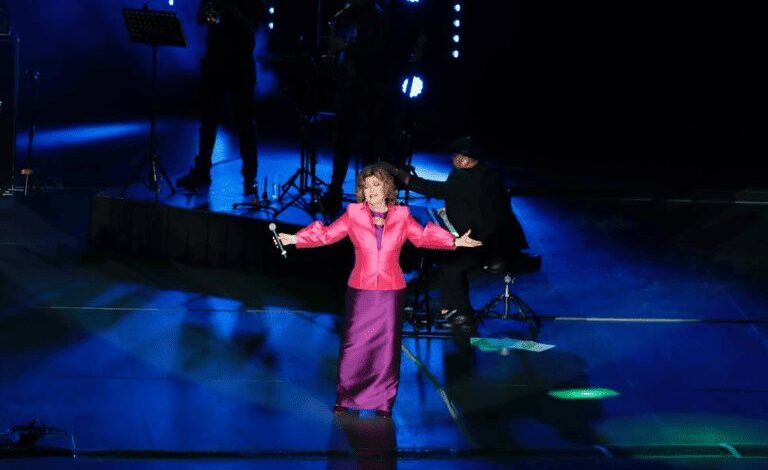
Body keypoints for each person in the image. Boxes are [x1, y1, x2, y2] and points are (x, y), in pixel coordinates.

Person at [277, 164, 482, 415]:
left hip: (390, 290)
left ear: (387, 187)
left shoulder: (402, 216)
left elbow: (422, 236)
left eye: (376, 185)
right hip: (360, 290)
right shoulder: (353, 214)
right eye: (366, 186)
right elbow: (328, 234)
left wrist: (454, 241)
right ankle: (347, 395)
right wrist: (296, 239)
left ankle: (382, 400)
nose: (371, 190)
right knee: (355, 345)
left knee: (386, 347)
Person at [380, 136, 540, 329]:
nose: (452, 160)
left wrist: (398, 173)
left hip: (489, 244)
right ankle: (448, 309)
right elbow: (479, 203)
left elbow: (432, 188)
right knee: (451, 255)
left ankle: (462, 314)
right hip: (504, 239)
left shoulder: (464, 178)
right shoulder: (490, 173)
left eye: (455, 157)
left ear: (465, 159)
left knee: (450, 263)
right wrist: (453, 209)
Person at [177, 0, 266, 195]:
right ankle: (202, 171)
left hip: (240, 66)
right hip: (215, 63)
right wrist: (211, 10)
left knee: (245, 124)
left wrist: (231, 7)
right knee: (208, 121)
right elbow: (202, 19)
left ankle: (250, 175)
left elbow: (250, 31)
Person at [318, 0, 392, 216]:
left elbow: (377, 53)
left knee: (368, 148)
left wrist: (346, 47)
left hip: (368, 89)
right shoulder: (349, 16)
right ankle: (334, 191)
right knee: (341, 142)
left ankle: (370, 200)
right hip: (347, 87)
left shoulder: (376, 16)